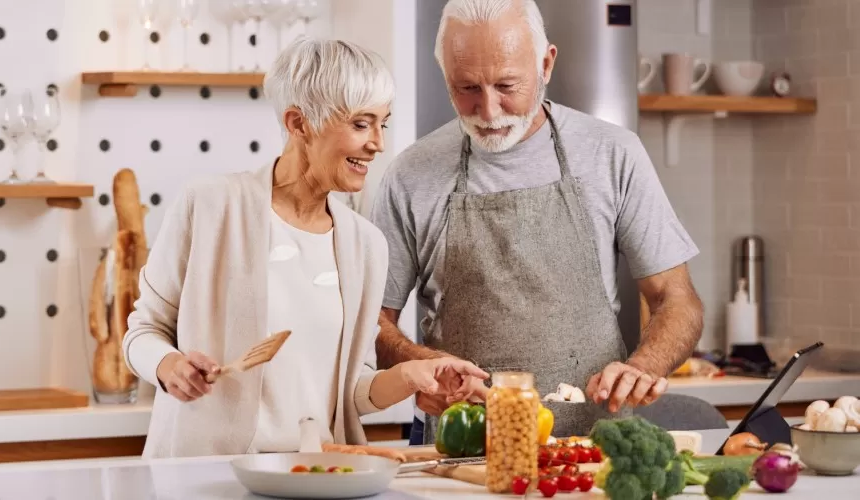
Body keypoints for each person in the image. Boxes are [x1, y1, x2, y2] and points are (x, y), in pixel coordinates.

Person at [122, 37, 486, 460]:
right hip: (206, 474)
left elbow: (353, 391)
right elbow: (142, 331)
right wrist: (169, 367)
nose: (377, 144)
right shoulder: (208, 205)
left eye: (382, 124)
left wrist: (411, 375)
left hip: (317, 474)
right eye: (360, 124)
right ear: (298, 124)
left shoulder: (365, 244)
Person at [370, 0, 705, 442]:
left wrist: (644, 367)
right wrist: (419, 368)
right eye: (466, 88)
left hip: (594, 450)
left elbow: (677, 300)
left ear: (546, 64)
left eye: (507, 85)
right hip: (465, 449)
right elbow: (371, 322)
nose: (488, 111)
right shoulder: (410, 175)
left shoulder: (613, 154)